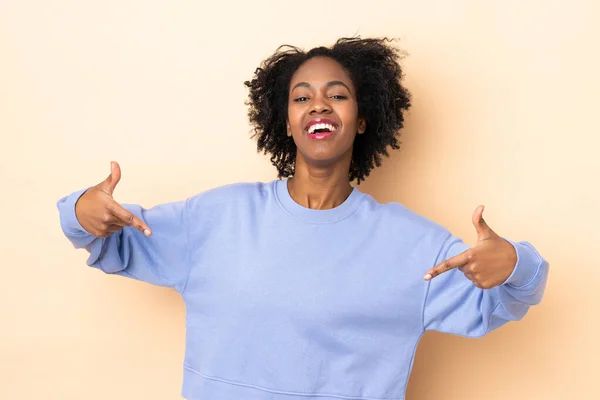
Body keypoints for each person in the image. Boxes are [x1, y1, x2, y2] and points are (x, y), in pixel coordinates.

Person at [57, 37, 549, 400]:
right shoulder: (216, 218)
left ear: (362, 119)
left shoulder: (413, 246)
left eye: (337, 94)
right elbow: (109, 240)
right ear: (286, 122)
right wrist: (81, 209)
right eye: (301, 96)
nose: (318, 103)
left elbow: (508, 298)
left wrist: (514, 263)